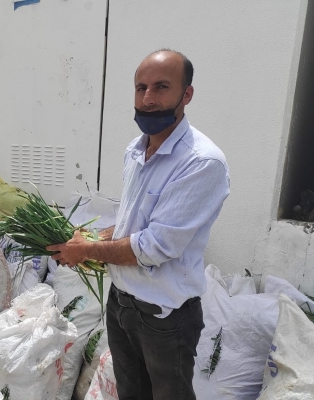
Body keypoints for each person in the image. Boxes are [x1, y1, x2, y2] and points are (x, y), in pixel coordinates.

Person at [47, 49, 230, 400]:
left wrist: (86, 249)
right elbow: (132, 226)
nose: (147, 99)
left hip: (165, 318)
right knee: (130, 392)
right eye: (140, 88)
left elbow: (155, 246)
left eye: (161, 87)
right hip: (121, 305)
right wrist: (89, 238)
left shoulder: (202, 162)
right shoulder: (135, 150)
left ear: (186, 94)